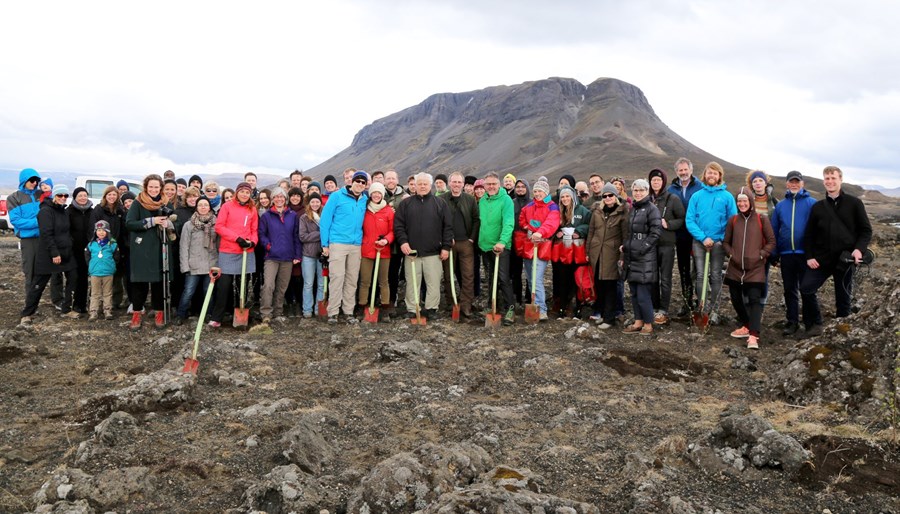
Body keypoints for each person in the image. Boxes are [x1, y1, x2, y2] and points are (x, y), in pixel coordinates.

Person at [798, 165, 872, 338]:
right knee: (806, 288)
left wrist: (858, 250)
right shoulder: (818, 207)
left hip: (845, 260)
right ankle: (814, 325)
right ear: (824, 181)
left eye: (833, 178)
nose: (830, 181)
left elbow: (865, 230)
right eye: (827, 178)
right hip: (821, 259)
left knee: (843, 299)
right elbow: (809, 235)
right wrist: (809, 257)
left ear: (840, 180)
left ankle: (841, 333)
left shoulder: (855, 203)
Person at [394, 173, 452, 319]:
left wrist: (446, 247)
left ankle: (431, 308)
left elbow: (448, 227)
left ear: (430, 185)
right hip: (411, 252)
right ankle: (412, 309)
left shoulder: (440, 203)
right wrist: (403, 242)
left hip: (433, 252)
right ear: (415, 185)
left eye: (425, 184)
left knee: (433, 282)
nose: (422, 186)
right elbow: (399, 225)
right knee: (412, 282)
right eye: (419, 183)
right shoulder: (405, 204)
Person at [723, 187, 775, 349]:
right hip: (735, 267)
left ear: (751, 201)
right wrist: (731, 254)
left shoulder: (762, 219)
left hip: (755, 268)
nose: (742, 203)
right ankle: (747, 325)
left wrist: (761, 255)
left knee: (754, 300)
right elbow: (726, 242)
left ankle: (753, 335)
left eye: (745, 200)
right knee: (736, 300)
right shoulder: (733, 220)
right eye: (739, 201)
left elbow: (771, 241)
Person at [685, 162, 737, 322]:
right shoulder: (697, 196)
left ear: (719, 176)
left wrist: (720, 239)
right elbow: (690, 220)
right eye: (709, 173)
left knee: (715, 276)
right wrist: (702, 237)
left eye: (715, 173)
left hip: (718, 244)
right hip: (699, 242)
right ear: (705, 175)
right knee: (700, 275)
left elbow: (732, 221)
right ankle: (701, 308)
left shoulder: (727, 197)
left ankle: (715, 311)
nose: (712, 176)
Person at [21, 184, 80, 323]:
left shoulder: (64, 211)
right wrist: (54, 253)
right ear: (54, 196)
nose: (63, 198)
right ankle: (27, 313)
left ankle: (66, 309)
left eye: (66, 195)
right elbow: (46, 234)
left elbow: (67, 231)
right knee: (38, 284)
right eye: (60, 195)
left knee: (73, 277)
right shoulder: (45, 211)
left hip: (66, 252)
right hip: (49, 253)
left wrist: (69, 244)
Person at [769, 171, 818, 337]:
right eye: (791, 182)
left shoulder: (812, 203)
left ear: (802, 183)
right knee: (790, 290)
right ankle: (792, 322)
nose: (794, 184)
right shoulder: (781, 206)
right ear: (787, 184)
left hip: (806, 254)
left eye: (797, 181)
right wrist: (774, 254)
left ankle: (811, 323)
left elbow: (818, 229)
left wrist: (817, 253)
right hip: (786, 254)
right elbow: (774, 231)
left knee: (807, 289)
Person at [125, 174, 176, 330]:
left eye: (156, 187)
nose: (154, 189)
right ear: (146, 187)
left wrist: (169, 223)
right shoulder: (138, 203)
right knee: (139, 283)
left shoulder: (166, 203)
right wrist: (152, 222)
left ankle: (159, 313)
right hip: (142, 249)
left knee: (159, 283)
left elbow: (176, 220)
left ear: (160, 187)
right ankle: (136, 314)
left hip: (161, 248)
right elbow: (130, 223)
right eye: (151, 186)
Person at [320, 170, 368, 323]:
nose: (360, 184)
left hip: (356, 245)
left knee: (352, 279)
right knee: (337, 277)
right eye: (357, 181)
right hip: (338, 243)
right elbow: (325, 220)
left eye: (363, 182)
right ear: (351, 181)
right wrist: (325, 244)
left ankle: (348, 311)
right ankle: (333, 312)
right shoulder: (336, 196)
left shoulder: (364, 199)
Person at [208, 182, 259, 328]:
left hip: (245, 251)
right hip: (229, 250)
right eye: (242, 191)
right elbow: (219, 227)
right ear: (237, 192)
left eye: (247, 192)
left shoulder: (252, 209)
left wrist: (253, 242)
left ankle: (238, 313)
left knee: (241, 285)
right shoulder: (227, 206)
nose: (244, 194)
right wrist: (237, 238)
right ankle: (217, 317)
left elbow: (254, 229)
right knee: (223, 285)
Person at [623, 179, 662, 335]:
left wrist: (642, 248)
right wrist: (626, 246)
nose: (638, 193)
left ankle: (648, 324)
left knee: (643, 293)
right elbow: (630, 233)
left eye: (641, 190)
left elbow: (656, 233)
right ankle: (638, 321)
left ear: (647, 191)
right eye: (635, 190)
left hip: (644, 257)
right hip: (632, 256)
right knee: (633, 292)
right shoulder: (634, 209)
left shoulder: (652, 209)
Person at [587, 183, 628, 329]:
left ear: (615, 196)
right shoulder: (597, 212)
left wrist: (622, 257)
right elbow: (591, 232)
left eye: (610, 195)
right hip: (596, 253)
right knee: (599, 285)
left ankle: (610, 318)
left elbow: (625, 236)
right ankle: (603, 314)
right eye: (605, 196)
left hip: (612, 254)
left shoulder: (622, 212)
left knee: (610, 286)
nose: (608, 198)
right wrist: (588, 251)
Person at [478, 172, 517, 325]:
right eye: (488, 184)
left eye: (494, 184)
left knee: (503, 278)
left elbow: (509, 222)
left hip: (501, 247)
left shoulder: (506, 200)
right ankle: (492, 305)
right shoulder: (482, 200)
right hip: (485, 246)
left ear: (499, 184)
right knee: (490, 278)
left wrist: (502, 241)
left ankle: (510, 308)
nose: (491, 187)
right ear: (485, 185)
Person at [519, 178, 561, 321]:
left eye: (540, 191)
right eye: (536, 191)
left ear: (546, 192)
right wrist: (527, 228)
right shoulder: (529, 206)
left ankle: (541, 309)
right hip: (529, 245)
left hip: (542, 246)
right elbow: (522, 218)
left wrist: (540, 232)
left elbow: (552, 222)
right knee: (530, 278)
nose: (537, 194)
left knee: (537, 279)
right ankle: (534, 305)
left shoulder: (552, 207)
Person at [258, 187, 301, 323]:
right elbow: (261, 234)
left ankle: (278, 311)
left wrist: (297, 255)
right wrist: (268, 246)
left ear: (285, 199)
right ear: (272, 200)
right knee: (268, 285)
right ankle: (266, 313)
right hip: (271, 257)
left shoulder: (292, 215)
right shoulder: (266, 216)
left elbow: (296, 236)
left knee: (282, 286)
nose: (279, 199)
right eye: (276, 197)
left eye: (281, 197)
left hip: (287, 257)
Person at [440, 172, 480, 317]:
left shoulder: (470, 200)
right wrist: (445, 239)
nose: (456, 184)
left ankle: (466, 305)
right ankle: (452, 303)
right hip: (448, 244)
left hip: (466, 243)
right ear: (449, 183)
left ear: (463, 184)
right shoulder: (441, 199)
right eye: (454, 182)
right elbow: (439, 221)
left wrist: (472, 238)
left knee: (468, 275)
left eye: (459, 182)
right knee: (448, 275)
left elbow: (476, 219)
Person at [648, 168, 685, 325]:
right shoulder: (647, 199)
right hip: (650, 245)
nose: (656, 182)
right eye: (653, 180)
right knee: (652, 277)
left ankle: (663, 309)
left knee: (665, 278)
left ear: (663, 182)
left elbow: (682, 218)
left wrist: (668, 224)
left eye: (658, 180)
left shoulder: (673, 198)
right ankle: (654, 306)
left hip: (667, 244)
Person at [668, 158, 702, 316]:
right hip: (680, 235)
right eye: (680, 170)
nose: (683, 173)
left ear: (691, 170)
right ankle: (687, 302)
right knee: (683, 269)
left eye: (685, 170)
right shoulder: (671, 189)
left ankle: (702, 301)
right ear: (676, 172)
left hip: (697, 234)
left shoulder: (700, 187)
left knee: (699, 269)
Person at [176, 196, 218, 324]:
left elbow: (220, 245)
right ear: (196, 207)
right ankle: (181, 315)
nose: (203, 207)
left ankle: (208, 314)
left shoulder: (216, 224)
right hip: (193, 264)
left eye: (206, 205)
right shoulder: (189, 225)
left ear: (210, 207)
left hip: (211, 263)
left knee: (208, 292)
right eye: (200, 205)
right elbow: (184, 246)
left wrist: (218, 264)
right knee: (188, 291)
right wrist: (185, 266)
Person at [550, 185, 589, 319]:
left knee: (577, 279)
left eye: (567, 196)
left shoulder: (582, 211)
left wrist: (579, 231)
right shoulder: (558, 212)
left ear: (572, 197)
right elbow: (551, 226)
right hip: (562, 249)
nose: (565, 199)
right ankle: (563, 306)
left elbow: (590, 225)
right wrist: (557, 232)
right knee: (562, 279)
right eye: (563, 197)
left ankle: (578, 307)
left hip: (577, 250)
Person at [358, 182, 395, 317]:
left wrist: (386, 240)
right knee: (365, 280)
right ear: (371, 194)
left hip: (383, 250)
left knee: (383, 280)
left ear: (382, 194)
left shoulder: (388, 211)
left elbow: (393, 230)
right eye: (374, 193)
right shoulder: (364, 209)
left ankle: (385, 307)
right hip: (367, 249)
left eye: (379, 193)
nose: (376, 195)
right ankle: (362, 305)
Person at [8, 169, 44, 308]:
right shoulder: (14, 198)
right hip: (28, 240)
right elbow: (16, 220)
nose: (34, 183)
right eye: (31, 180)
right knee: (30, 272)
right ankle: (30, 305)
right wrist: (39, 223)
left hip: (44, 237)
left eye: (36, 181)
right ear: (24, 180)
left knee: (53, 271)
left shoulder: (40, 194)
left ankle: (57, 301)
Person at [90, 186, 128, 309]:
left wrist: (122, 246)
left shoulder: (120, 211)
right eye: (109, 194)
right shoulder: (98, 210)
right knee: (98, 275)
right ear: (105, 196)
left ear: (117, 196)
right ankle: (95, 303)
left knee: (116, 275)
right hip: (101, 247)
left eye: (114, 195)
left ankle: (114, 302)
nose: (112, 197)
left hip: (117, 246)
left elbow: (124, 230)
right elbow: (93, 229)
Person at [68, 187, 95, 314]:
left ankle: (89, 304)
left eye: (85, 195)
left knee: (90, 276)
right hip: (75, 249)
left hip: (90, 249)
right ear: (75, 197)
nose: (83, 198)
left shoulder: (92, 211)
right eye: (80, 195)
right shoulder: (69, 211)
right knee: (77, 277)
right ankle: (77, 304)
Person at [85, 220, 119, 321]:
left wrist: (112, 266)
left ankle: (107, 310)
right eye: (99, 230)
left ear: (108, 232)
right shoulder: (91, 244)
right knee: (95, 293)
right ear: (95, 232)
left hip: (108, 272)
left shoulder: (112, 244)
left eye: (104, 230)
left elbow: (116, 258)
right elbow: (87, 257)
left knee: (107, 292)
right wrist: (91, 267)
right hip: (95, 273)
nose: (101, 232)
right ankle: (93, 311)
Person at [383, 170, 408, 307]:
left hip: (398, 242)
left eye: (393, 178)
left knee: (393, 272)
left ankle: (392, 299)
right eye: (388, 178)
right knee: (382, 273)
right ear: (384, 180)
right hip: (382, 241)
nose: (391, 181)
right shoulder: (379, 195)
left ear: (397, 180)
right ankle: (380, 299)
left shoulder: (405, 196)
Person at [298, 192, 325, 318]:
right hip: (308, 255)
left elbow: (329, 233)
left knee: (321, 283)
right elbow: (303, 237)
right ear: (309, 203)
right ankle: (307, 310)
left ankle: (319, 309)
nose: (315, 204)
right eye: (312, 202)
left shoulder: (325, 216)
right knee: (308, 284)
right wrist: (320, 233)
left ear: (320, 203)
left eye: (317, 202)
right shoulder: (304, 218)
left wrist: (314, 234)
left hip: (322, 254)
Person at [509, 178, 530, 306]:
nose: (520, 189)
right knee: (515, 271)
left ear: (527, 188)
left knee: (529, 271)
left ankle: (529, 297)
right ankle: (517, 296)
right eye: (518, 187)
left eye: (523, 186)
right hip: (514, 241)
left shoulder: (532, 203)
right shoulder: (511, 203)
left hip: (528, 241)